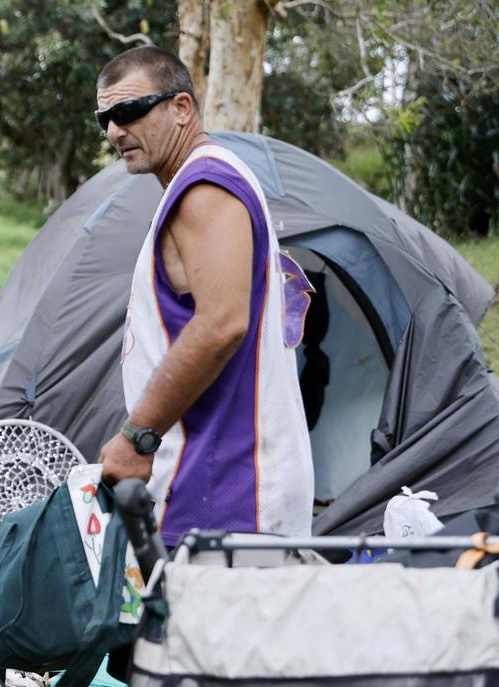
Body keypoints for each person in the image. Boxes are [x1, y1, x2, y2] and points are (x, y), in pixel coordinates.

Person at [94, 46, 314, 545]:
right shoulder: (197, 183)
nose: (113, 131)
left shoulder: (205, 188)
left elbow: (221, 323)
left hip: (231, 484)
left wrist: (138, 436)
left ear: (181, 108)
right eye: (104, 118)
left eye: (128, 111)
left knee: (211, 624)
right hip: (212, 475)